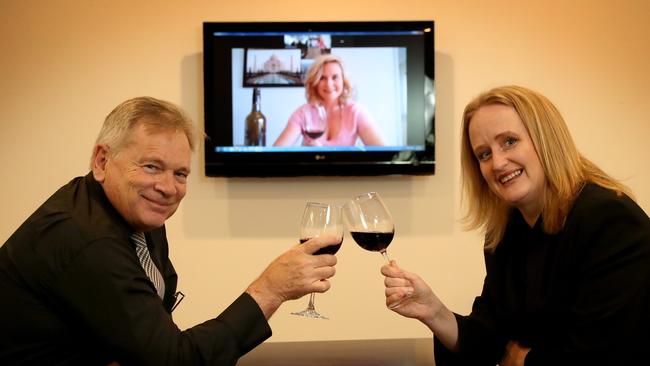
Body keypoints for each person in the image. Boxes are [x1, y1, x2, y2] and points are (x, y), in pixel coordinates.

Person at [0, 97, 339, 365]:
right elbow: (173, 360)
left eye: (180, 174)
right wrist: (270, 290)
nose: (168, 187)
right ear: (102, 161)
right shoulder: (87, 238)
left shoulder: (135, 212)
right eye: (151, 167)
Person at [381, 85, 650, 365]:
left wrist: (523, 360)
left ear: (546, 140)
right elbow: (489, 337)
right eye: (483, 154)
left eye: (509, 141)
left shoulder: (610, 219)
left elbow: (608, 354)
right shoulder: (505, 233)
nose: (497, 163)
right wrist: (433, 312)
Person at [273, 54, 386, 147]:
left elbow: (384, 153)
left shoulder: (356, 111)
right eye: (322, 78)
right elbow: (276, 153)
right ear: (315, 82)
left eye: (335, 77)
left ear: (343, 81)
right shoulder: (303, 113)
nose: (329, 84)